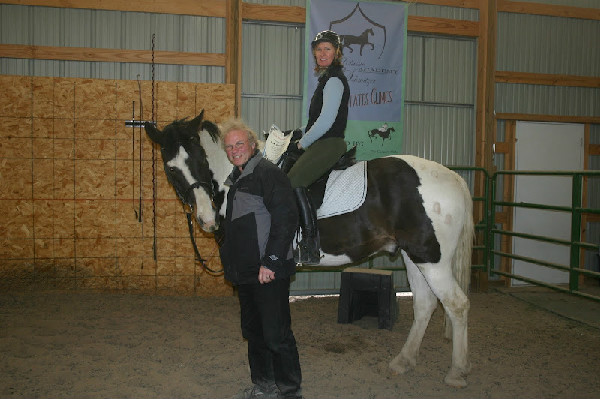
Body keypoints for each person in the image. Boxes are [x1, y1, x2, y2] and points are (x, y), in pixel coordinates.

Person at [218, 118, 303, 399]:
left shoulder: (267, 173)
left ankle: (290, 391)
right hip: (246, 273)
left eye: (239, 144)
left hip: (268, 271)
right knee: (254, 333)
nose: (234, 150)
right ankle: (264, 385)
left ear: (253, 145)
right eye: (229, 147)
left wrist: (271, 261)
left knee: (276, 335)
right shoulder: (238, 179)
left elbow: (286, 218)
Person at [287, 30, 350, 265]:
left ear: (336, 53)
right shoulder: (326, 80)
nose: (322, 53)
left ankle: (310, 243)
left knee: (293, 181)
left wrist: (302, 143)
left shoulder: (334, 80)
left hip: (330, 143)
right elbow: (316, 122)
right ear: (314, 53)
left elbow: (326, 122)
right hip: (322, 140)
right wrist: (294, 134)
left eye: (328, 49)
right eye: (319, 49)